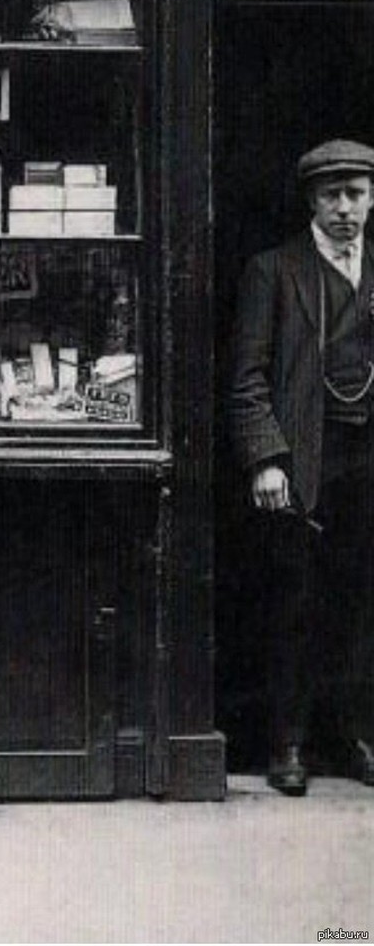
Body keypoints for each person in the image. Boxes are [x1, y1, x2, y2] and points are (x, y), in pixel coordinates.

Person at [228, 138, 374, 795]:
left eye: (356, 194)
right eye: (332, 195)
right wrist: (267, 457)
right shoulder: (275, 270)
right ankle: (287, 743)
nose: (345, 208)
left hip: (366, 457)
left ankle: (352, 737)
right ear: (311, 200)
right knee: (296, 605)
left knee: (359, 604)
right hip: (306, 461)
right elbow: (248, 379)